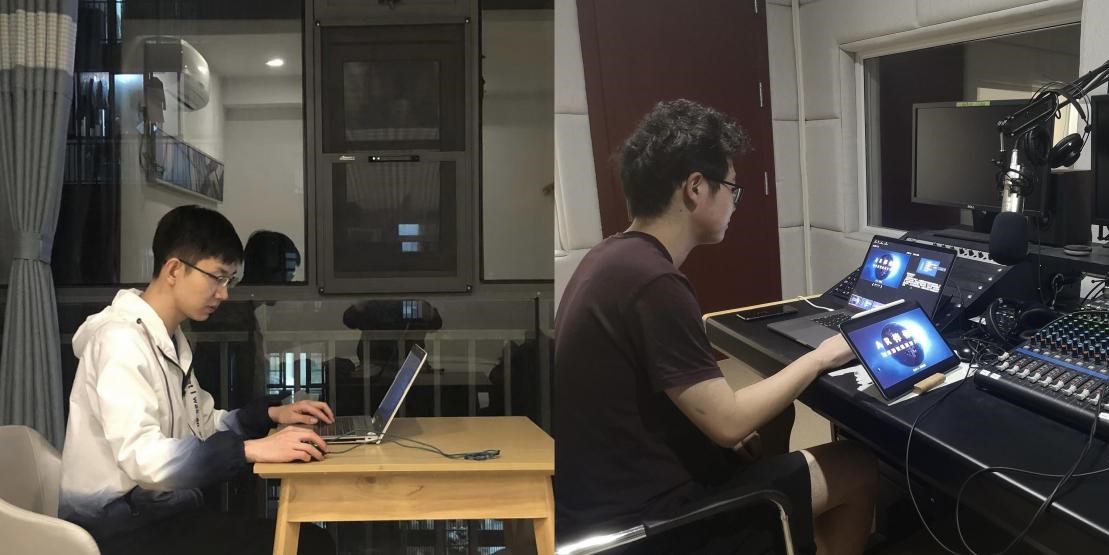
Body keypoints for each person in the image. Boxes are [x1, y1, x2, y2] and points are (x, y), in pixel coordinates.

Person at [554, 99, 877, 554]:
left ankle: (780, 532)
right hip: (645, 523)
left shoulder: (611, 256)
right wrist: (822, 356)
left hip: (601, 493)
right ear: (695, 188)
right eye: (732, 189)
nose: (734, 204)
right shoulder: (654, 282)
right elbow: (727, 425)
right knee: (858, 466)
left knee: (776, 415)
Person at [60, 205, 336, 555]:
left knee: (304, 539)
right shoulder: (119, 341)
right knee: (308, 545)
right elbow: (142, 457)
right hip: (118, 530)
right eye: (217, 277)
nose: (224, 293)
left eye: (229, 281)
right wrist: (249, 449)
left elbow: (202, 421)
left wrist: (269, 416)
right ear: (174, 269)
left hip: (159, 514)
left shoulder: (169, 338)